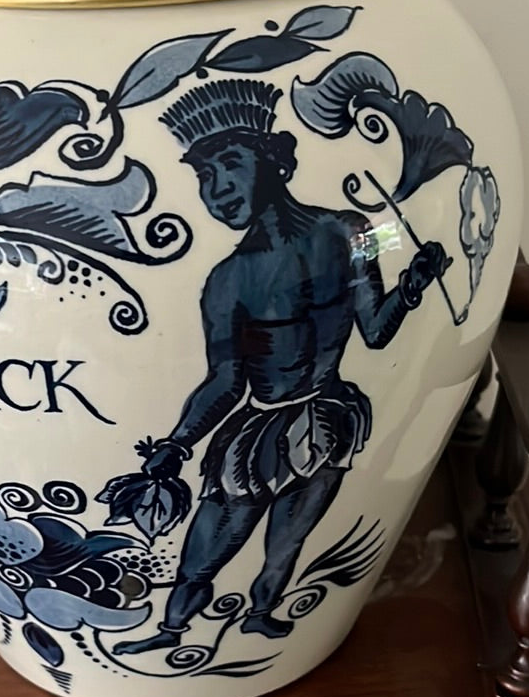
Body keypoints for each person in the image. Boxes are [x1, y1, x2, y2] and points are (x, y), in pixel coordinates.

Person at [114, 78, 448, 654]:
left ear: (275, 162)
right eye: (203, 176)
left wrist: (413, 284)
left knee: (289, 540)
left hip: (330, 417)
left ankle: (261, 616)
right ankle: (169, 632)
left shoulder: (352, 231)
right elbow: (226, 381)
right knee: (208, 549)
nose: (217, 188)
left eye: (229, 165)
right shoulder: (227, 280)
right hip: (260, 433)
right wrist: (177, 444)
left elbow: (375, 328)